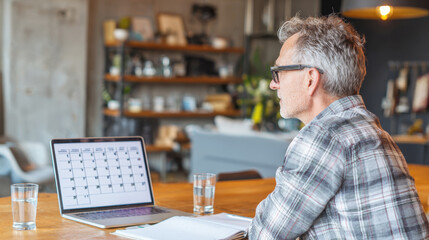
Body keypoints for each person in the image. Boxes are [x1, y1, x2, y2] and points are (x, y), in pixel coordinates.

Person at [248, 15, 429, 239]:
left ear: (310, 79)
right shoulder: (375, 133)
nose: (273, 83)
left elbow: (265, 234)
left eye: (279, 72)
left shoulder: (325, 136)